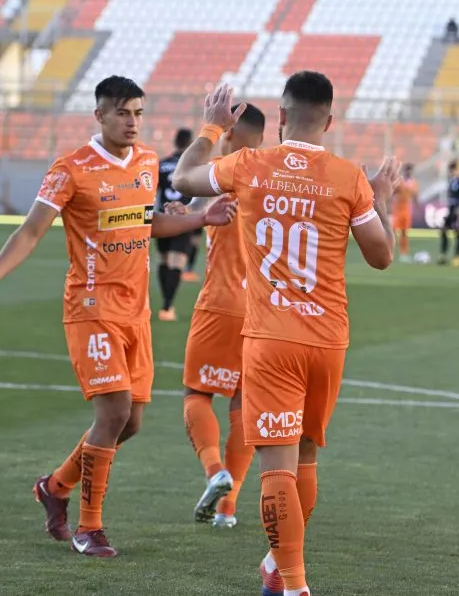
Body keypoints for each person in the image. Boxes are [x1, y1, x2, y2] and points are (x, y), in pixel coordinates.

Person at [0, 76, 235, 558]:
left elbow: (146, 224)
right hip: (91, 309)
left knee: (129, 424)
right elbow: (31, 230)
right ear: (100, 116)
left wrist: (199, 218)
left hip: (136, 312)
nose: (132, 122)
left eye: (138, 113)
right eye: (122, 113)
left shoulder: (148, 161)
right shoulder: (71, 169)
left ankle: (55, 486)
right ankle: (90, 527)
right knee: (113, 412)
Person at [171, 72, 399, 596]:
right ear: (331, 119)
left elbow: (184, 179)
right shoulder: (347, 177)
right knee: (307, 457)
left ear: (279, 116)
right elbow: (382, 256)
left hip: (270, 338)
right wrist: (381, 197)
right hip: (327, 340)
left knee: (276, 463)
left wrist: (211, 125)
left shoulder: (249, 164)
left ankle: (293, 583)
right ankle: (277, 565)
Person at [181, 104, 266, 529]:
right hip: (262, 314)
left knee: (197, 394)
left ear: (231, 132)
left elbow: (185, 179)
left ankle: (215, 472)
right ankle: (228, 510)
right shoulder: (275, 180)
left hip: (220, 302)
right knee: (241, 405)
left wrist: (211, 127)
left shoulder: (222, 171)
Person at [155, 127, 195, 321]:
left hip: (162, 217)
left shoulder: (161, 165)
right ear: (189, 143)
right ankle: (167, 306)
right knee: (177, 262)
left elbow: (153, 192)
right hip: (182, 219)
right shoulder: (191, 166)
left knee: (163, 261)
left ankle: (165, 301)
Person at [439, 160, 459, 265]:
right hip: (451, 209)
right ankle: (443, 255)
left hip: (457, 210)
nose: (451, 172)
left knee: (457, 232)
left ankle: (457, 257)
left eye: (452, 169)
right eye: (450, 170)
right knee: (443, 231)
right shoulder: (451, 181)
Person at [392, 163, 418, 262]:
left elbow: (415, 195)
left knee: (404, 232)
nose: (409, 172)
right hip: (397, 209)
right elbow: (392, 192)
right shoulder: (399, 181)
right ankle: (390, 252)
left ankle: (404, 253)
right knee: (393, 231)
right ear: (404, 171)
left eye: (410, 170)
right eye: (407, 170)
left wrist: (416, 207)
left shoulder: (414, 182)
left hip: (407, 209)